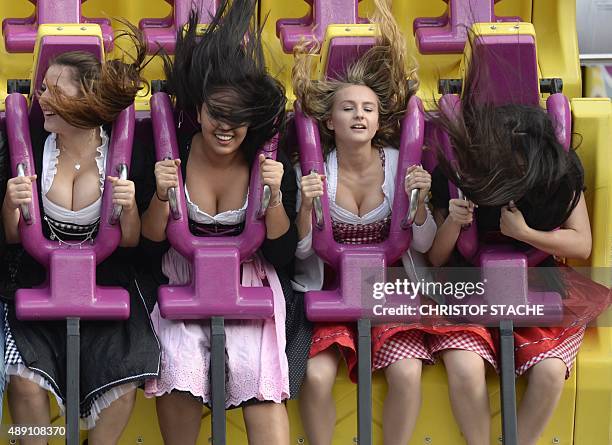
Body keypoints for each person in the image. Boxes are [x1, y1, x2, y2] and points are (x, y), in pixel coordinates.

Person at [427, 48, 611, 445]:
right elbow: (436, 258)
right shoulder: (459, 172)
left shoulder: (557, 174)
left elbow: (581, 243)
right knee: (464, 365)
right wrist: (455, 225)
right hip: (468, 287)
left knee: (548, 372)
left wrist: (526, 233)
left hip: (538, 284)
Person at [141, 2, 301, 444]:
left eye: (237, 116)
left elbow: (283, 254)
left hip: (249, 283)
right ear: (199, 109)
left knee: (257, 375)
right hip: (183, 280)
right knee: (178, 363)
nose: (226, 127)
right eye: (217, 113)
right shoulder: (170, 152)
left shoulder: (266, 160)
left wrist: (272, 199)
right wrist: (159, 194)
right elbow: (149, 247)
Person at [0, 33, 160, 444]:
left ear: (88, 100)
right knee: (25, 383)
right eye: (42, 88)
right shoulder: (32, 148)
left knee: (122, 383)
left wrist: (128, 209)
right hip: (38, 279)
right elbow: (12, 236)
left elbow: (130, 242)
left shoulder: (123, 157)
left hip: (103, 282)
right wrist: (10, 202)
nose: (43, 99)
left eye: (55, 91)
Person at [291, 1, 437, 444]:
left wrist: (420, 202)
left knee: (407, 372)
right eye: (348, 108)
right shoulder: (316, 170)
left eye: (368, 109)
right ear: (330, 121)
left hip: (390, 290)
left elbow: (425, 244)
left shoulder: (399, 165)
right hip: (331, 292)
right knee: (315, 377)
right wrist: (305, 207)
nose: (359, 116)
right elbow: (300, 253)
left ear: (378, 121)